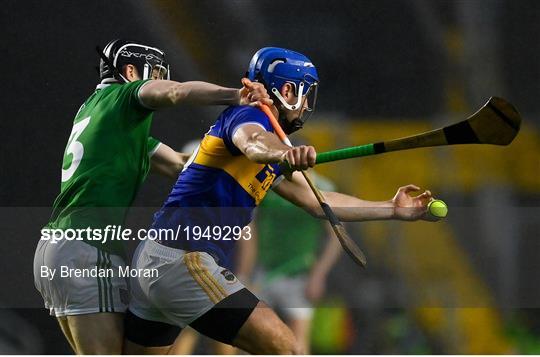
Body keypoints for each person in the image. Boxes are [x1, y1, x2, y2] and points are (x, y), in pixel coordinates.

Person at [124, 47, 436, 354]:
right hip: (184, 260)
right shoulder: (246, 116)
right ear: (288, 90)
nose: (305, 106)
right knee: (287, 348)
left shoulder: (268, 140)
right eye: (305, 93)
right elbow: (254, 143)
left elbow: (318, 201)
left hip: (155, 259)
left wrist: (391, 208)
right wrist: (285, 153)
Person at [32, 39, 271, 355]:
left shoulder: (108, 119)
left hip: (58, 248)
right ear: (130, 71)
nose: (160, 80)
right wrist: (233, 96)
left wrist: (251, 157)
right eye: (155, 73)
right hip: (88, 248)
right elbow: (176, 92)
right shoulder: (123, 96)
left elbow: (182, 165)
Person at [241, 171, 341, 354]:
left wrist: (318, 275)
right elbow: (249, 230)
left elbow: (336, 238)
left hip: (300, 275)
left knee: (298, 344)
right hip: (265, 272)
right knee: (252, 339)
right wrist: (245, 274)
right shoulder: (267, 185)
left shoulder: (322, 188)